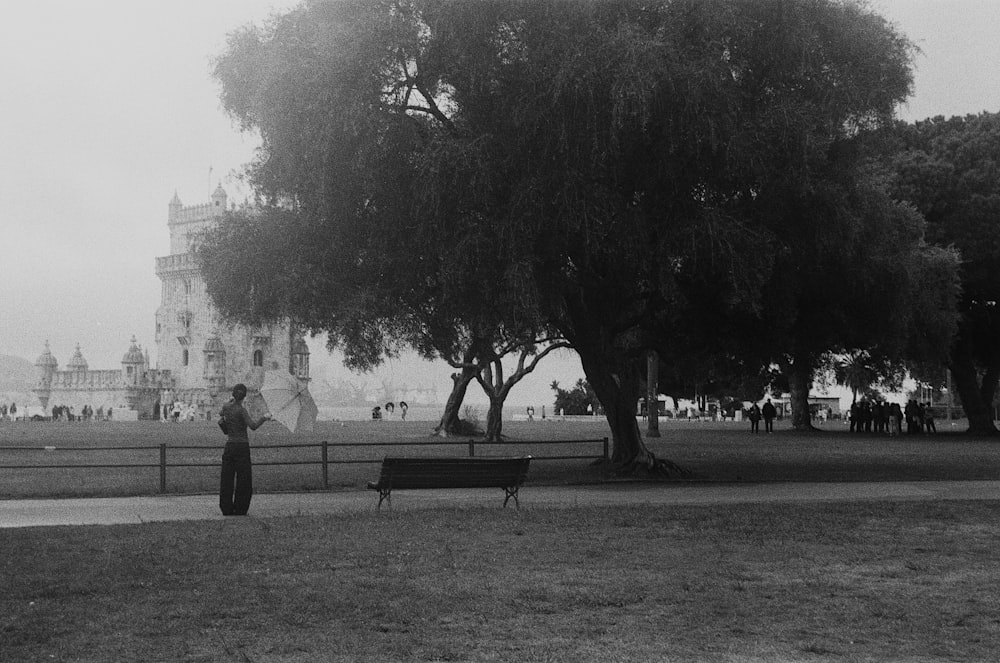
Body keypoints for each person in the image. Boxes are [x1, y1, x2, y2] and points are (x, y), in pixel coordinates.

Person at [218, 384, 270, 516]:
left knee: (227, 478)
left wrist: (230, 402)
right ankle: (240, 508)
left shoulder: (226, 407)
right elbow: (253, 426)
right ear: (244, 396)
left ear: (233, 394)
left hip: (229, 445)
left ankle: (226, 508)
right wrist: (264, 417)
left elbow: (221, 413)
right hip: (242, 446)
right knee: (244, 479)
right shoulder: (242, 411)